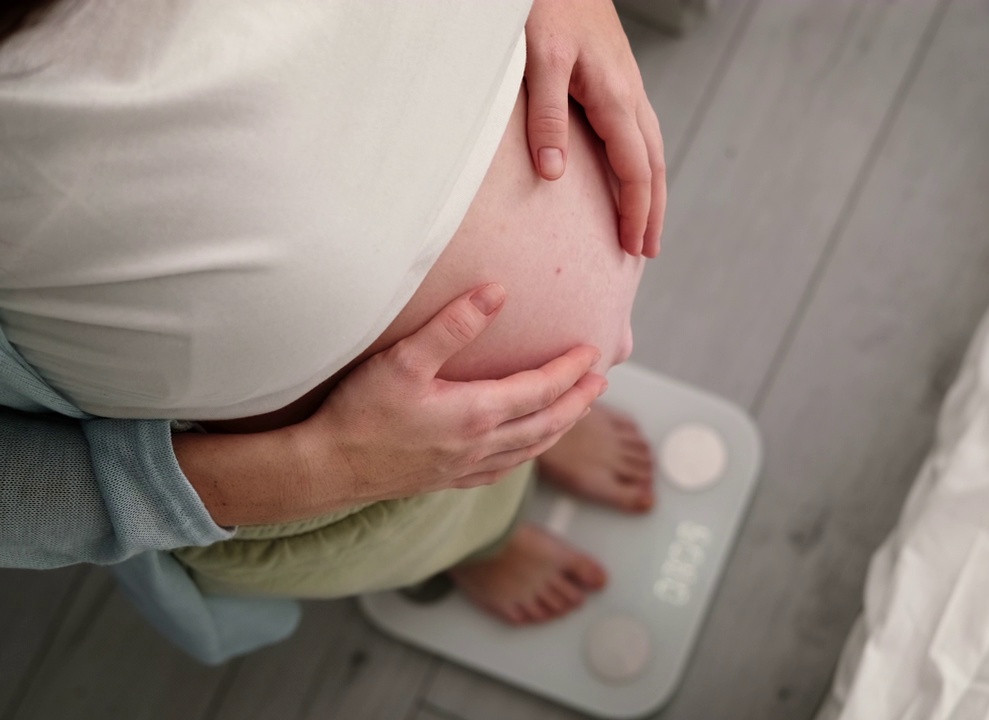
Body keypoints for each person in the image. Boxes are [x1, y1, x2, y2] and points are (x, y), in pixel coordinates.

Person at [0, 0, 666, 661]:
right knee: (433, 524)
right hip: (322, 471)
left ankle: (546, 426)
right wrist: (329, 469)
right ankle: (482, 541)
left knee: (515, 430)